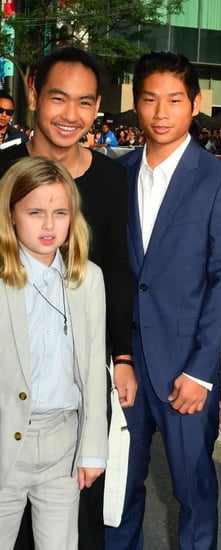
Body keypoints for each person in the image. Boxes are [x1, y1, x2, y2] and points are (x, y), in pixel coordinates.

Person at [104, 51, 221, 550]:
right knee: (120, 485)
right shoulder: (116, 174)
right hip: (124, 364)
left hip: (186, 368)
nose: (161, 112)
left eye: (174, 100)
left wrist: (202, 371)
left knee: (194, 490)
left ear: (196, 104)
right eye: (149, 100)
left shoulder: (220, 180)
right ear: (136, 106)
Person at [0, 46, 137, 550]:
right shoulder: (1, 170)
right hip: (9, 392)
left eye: (84, 103)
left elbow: (118, 269)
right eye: (59, 98)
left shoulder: (109, 177)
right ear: (34, 93)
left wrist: (120, 356)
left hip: (69, 395)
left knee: (72, 525)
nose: (70, 115)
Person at [0, 156, 108, 549]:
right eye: (34, 212)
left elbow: (96, 369)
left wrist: (93, 448)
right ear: (11, 215)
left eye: (60, 212)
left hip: (63, 442)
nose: (49, 225)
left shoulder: (88, 279)